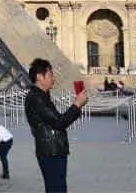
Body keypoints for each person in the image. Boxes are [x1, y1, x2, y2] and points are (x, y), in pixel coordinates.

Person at [24, 58, 89, 193]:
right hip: (50, 151)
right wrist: (77, 104)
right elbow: (59, 122)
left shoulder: (42, 96)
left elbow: (57, 121)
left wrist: (77, 105)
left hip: (53, 149)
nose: (53, 79)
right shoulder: (37, 98)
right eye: (50, 75)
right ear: (39, 77)